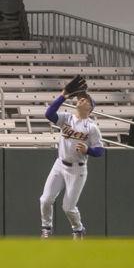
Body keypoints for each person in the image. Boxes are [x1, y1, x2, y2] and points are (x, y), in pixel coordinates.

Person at [40, 91, 104, 239]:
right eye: (80, 98)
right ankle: (46, 229)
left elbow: (100, 151)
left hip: (77, 169)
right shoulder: (66, 117)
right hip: (60, 164)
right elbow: (49, 114)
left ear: (90, 107)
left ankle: (78, 229)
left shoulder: (91, 127)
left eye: (86, 100)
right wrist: (63, 96)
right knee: (45, 199)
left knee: (68, 207)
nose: (81, 99)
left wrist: (88, 150)